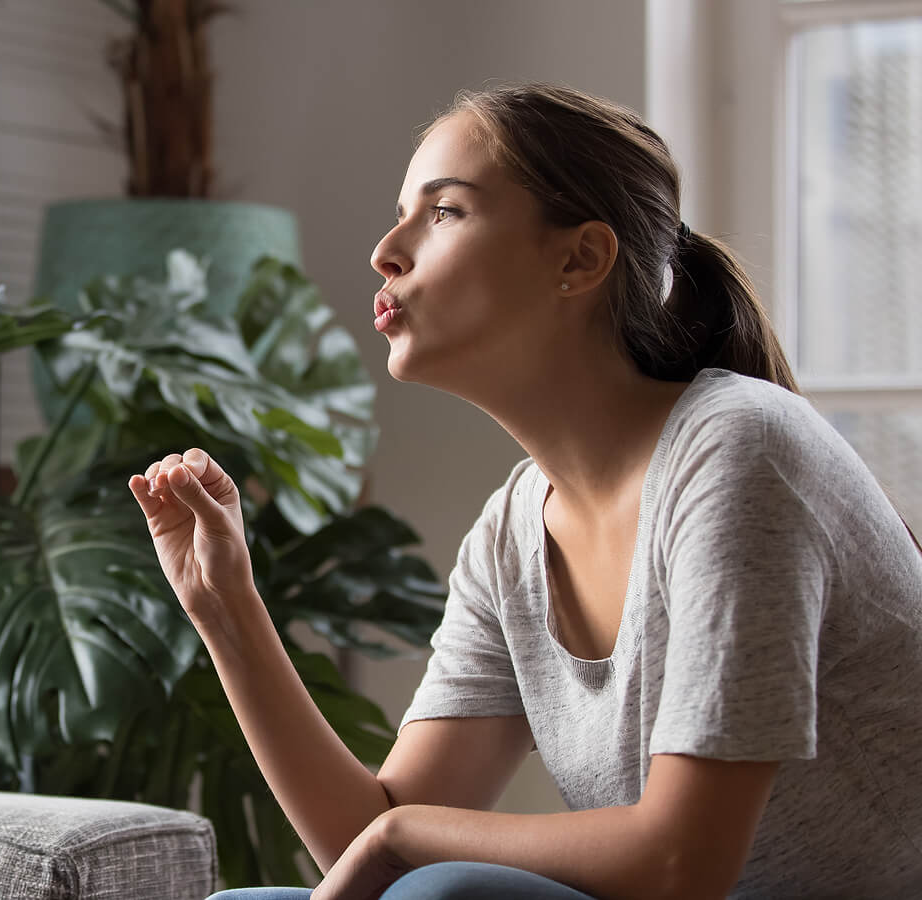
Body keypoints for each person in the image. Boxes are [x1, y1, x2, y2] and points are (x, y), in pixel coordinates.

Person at [130, 83, 922, 900]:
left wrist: (402, 835)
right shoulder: (514, 531)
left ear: (578, 259)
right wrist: (225, 606)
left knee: (445, 896)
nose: (386, 250)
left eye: (442, 212)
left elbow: (682, 864)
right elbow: (366, 839)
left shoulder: (738, 449)